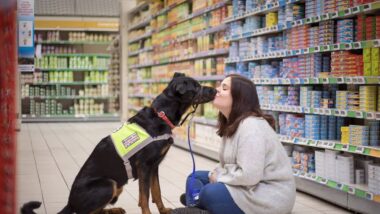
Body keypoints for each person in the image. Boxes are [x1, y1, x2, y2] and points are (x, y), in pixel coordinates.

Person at [180, 74, 296, 214]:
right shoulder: (232, 123)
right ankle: (199, 206)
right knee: (195, 178)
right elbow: (228, 163)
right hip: (248, 186)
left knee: (210, 192)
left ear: (239, 97)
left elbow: (250, 175)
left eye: (224, 88)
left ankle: (197, 204)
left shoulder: (251, 127)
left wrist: (220, 177)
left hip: (268, 196)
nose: (217, 90)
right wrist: (216, 173)